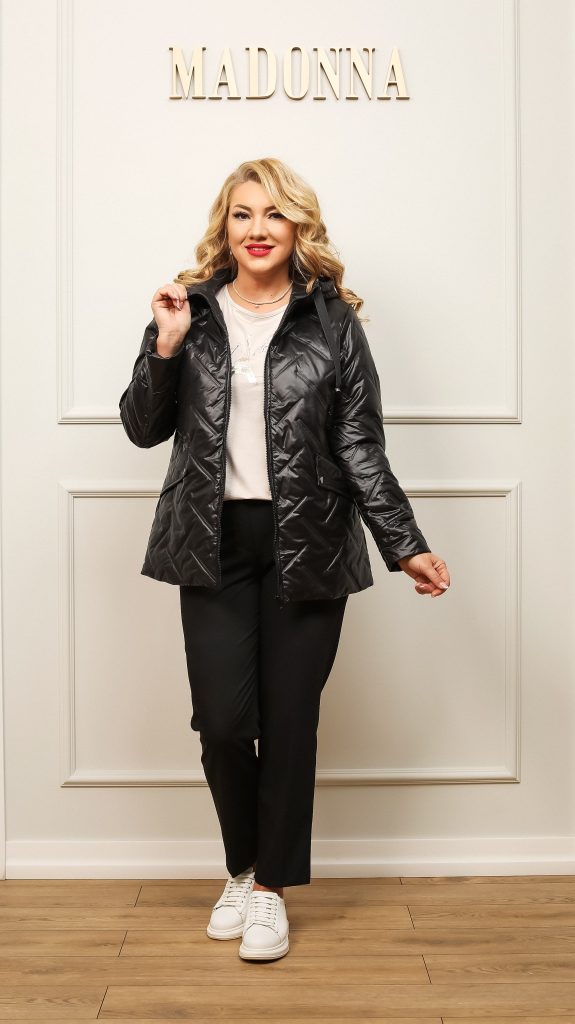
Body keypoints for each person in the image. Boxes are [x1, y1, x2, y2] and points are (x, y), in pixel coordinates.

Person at [119, 157, 451, 963]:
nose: (257, 229)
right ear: (224, 226)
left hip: (310, 539)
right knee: (223, 722)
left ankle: (268, 891)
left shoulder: (332, 322)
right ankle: (240, 867)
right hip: (210, 540)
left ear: (298, 226)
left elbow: (358, 444)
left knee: (290, 723)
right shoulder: (188, 310)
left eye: (273, 214)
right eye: (242, 214)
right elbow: (142, 427)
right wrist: (165, 345)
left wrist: (404, 544)